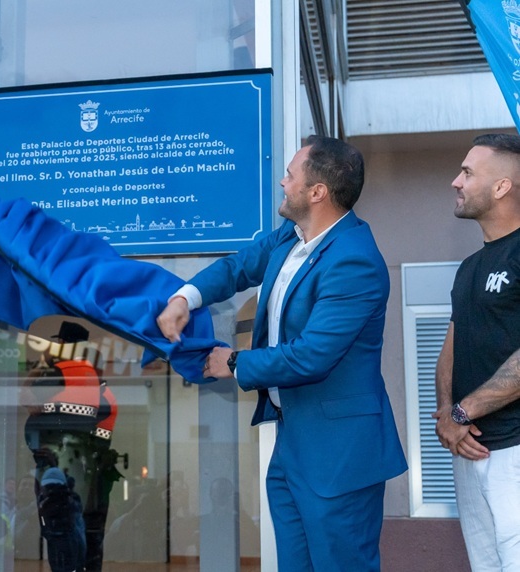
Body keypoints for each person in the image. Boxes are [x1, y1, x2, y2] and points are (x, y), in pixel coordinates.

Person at [157, 135, 407, 571]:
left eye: (290, 175)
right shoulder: (290, 238)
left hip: (339, 454)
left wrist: (233, 363)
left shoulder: (355, 261)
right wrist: (185, 297)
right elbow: (237, 267)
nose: (282, 182)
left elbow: (312, 355)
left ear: (317, 192)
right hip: (293, 441)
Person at [434, 133, 520, 571]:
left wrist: (461, 413)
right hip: (469, 451)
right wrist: (447, 416)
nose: (456, 181)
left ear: (502, 186)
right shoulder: (469, 268)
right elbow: (450, 349)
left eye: (468, 172)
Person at [22, 321, 123, 572]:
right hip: (91, 472)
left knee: (60, 529)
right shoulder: (104, 392)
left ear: (63, 345)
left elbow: (26, 399)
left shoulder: (60, 372)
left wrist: (41, 365)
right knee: (90, 534)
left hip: (58, 466)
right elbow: (102, 436)